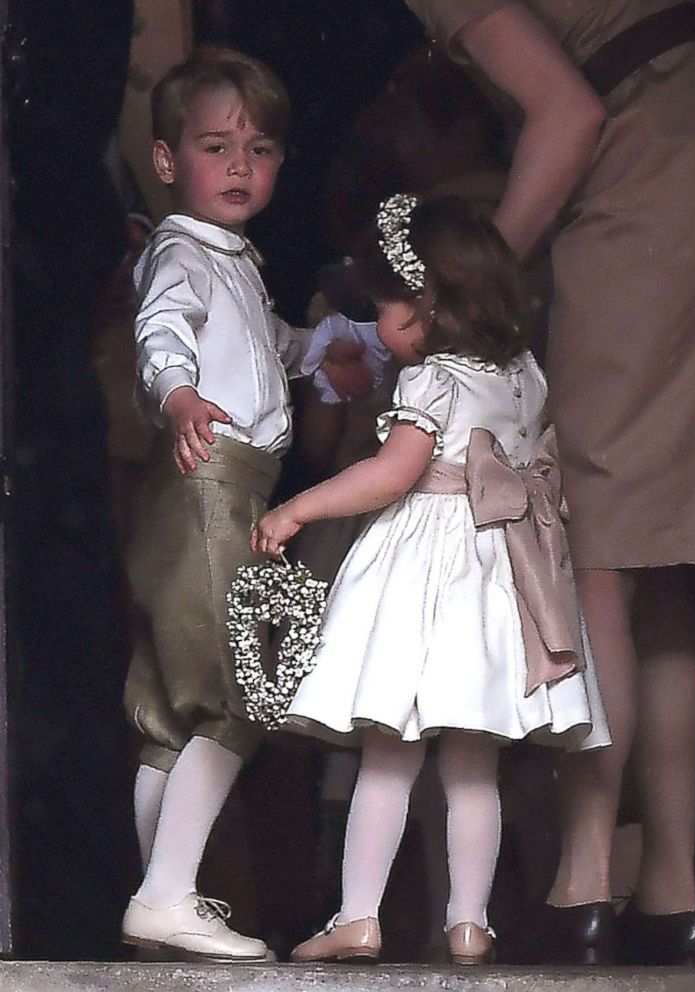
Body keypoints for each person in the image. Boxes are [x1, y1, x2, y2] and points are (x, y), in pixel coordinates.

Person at [402, 0, 695, 966]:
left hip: (650, 175)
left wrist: (465, 290)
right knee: (667, 548)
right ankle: (673, 889)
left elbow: (566, 115)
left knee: (597, 545)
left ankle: (584, 877)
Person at [254, 193, 610, 965]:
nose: (380, 327)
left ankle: (357, 915)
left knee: (387, 750)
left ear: (425, 309)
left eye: (384, 308)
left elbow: (392, 475)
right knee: (472, 765)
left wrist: (299, 509)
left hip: (431, 574)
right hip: (500, 580)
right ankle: (469, 922)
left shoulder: (435, 383)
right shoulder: (523, 374)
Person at [121, 47, 369, 962]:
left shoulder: (231, 257)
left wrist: (318, 352)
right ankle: (168, 893)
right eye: (214, 145)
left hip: (211, 484)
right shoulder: (180, 251)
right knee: (240, 694)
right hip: (211, 480)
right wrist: (179, 395)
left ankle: (161, 894)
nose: (237, 166)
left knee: (167, 715)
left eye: (258, 149)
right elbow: (165, 333)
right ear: (164, 161)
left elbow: (262, 345)